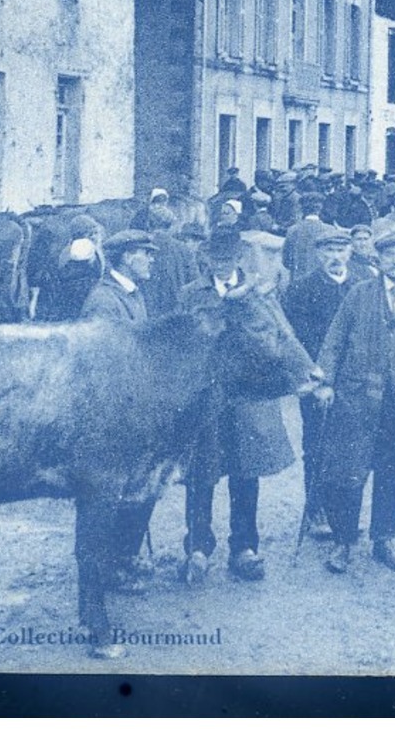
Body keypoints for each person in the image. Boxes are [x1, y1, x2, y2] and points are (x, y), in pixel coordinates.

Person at [314, 234, 395, 574]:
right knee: (350, 472)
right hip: (357, 400)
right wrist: (326, 382)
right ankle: (344, 542)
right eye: (390, 255)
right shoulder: (359, 295)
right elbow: (334, 340)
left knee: (392, 474)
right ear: (380, 260)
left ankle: (384, 539)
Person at [177, 227, 300, 583]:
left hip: (249, 400)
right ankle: (197, 549)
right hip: (207, 401)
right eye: (215, 259)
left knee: (246, 474)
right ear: (205, 259)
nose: (221, 266)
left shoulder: (260, 293)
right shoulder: (190, 295)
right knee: (202, 475)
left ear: (238, 259)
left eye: (228, 259)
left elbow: (281, 337)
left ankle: (244, 548)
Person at [80, 230, 158, 590]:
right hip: (112, 413)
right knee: (112, 495)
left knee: (135, 491)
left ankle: (124, 557)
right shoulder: (104, 300)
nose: (151, 259)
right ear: (127, 257)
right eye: (146, 253)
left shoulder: (131, 294)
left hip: (132, 406)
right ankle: (111, 568)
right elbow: (102, 362)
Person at [281, 225, 367, 540]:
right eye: (328, 251)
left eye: (340, 250)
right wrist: (316, 382)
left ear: (350, 252)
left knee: (350, 449)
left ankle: (343, 516)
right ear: (318, 254)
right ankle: (315, 511)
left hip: (355, 385)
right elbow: (297, 342)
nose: (334, 257)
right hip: (317, 382)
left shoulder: (363, 286)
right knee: (316, 446)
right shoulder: (301, 290)